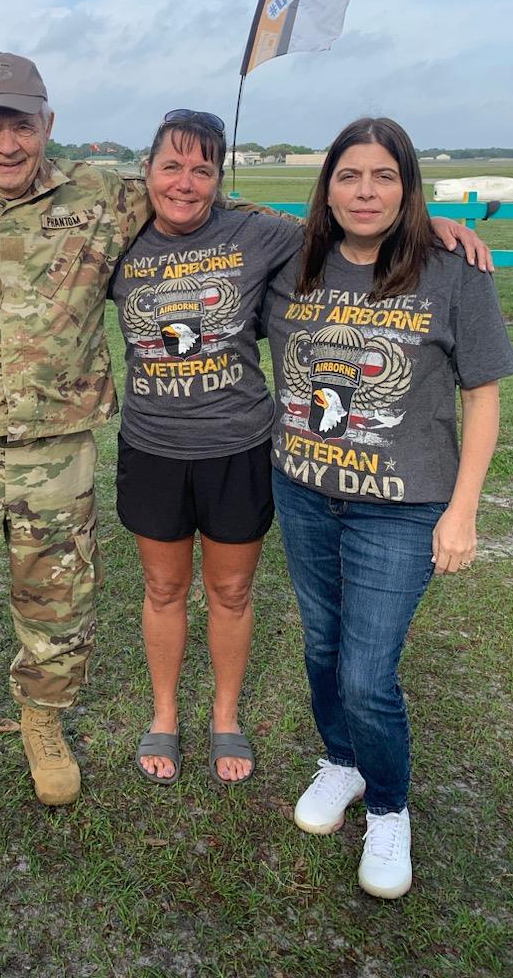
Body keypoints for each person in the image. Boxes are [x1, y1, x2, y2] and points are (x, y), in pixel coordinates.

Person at [0, 59, 490, 821]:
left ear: (48, 123)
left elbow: (238, 208)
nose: (8, 142)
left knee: (57, 603)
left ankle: (43, 721)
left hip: (61, 450)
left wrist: (428, 222)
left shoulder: (108, 196)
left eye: (23, 125)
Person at [265, 117, 513, 899]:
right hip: (305, 490)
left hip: (403, 507)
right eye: (349, 176)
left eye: (383, 177)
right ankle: (339, 761)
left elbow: (481, 395)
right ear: (327, 186)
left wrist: (464, 510)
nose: (365, 192)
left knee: (368, 672)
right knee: (321, 646)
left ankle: (389, 805)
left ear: (407, 186)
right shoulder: (292, 259)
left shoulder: (453, 270)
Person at [110, 110, 303, 786]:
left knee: (232, 588)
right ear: (148, 168)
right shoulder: (119, 237)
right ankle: (164, 713)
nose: (185, 183)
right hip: (153, 446)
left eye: (202, 169)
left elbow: (353, 231)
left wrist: (438, 225)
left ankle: (226, 717)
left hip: (237, 445)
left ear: (219, 178)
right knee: (164, 586)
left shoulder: (259, 230)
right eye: (173, 165)